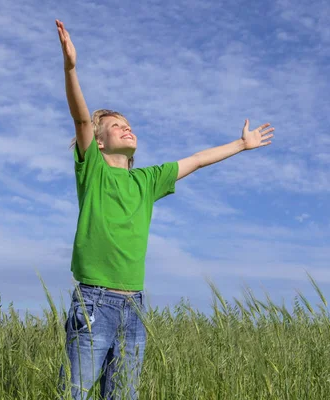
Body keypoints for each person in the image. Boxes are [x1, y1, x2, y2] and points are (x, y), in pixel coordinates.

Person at [55, 18, 275, 400]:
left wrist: (241, 145)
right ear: (99, 142)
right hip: (94, 303)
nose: (126, 128)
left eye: (128, 124)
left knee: (123, 395)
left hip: (134, 306)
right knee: (71, 394)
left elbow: (198, 159)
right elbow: (79, 115)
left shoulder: (148, 180)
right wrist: (71, 67)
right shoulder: (92, 170)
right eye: (114, 126)